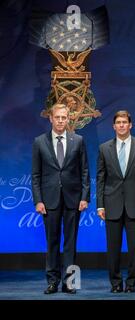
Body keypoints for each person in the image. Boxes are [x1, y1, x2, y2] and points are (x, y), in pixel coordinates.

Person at [31, 103, 90, 295]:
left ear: (68, 119)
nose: (61, 121)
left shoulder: (78, 140)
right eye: (57, 117)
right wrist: (38, 200)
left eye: (64, 117)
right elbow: (36, 175)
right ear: (51, 118)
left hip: (73, 199)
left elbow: (85, 171)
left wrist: (85, 197)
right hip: (49, 200)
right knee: (52, 242)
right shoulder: (39, 141)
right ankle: (52, 282)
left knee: (71, 243)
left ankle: (71, 282)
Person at [96, 110, 135, 293]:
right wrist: (100, 204)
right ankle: (115, 283)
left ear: (130, 125)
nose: (121, 125)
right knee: (112, 248)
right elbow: (100, 178)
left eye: (124, 122)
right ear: (114, 126)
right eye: (118, 122)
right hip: (111, 204)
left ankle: (131, 283)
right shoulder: (104, 148)